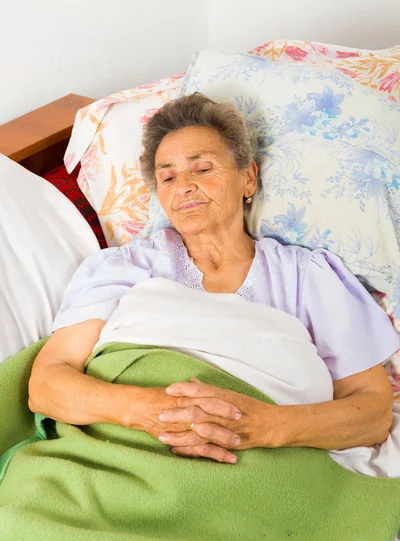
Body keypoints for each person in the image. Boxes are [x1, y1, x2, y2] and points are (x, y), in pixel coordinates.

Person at [29, 93, 399, 465]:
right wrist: (147, 410)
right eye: (167, 176)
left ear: (249, 178)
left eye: (202, 169)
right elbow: (47, 385)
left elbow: (373, 412)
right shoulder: (122, 268)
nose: (183, 186)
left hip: (267, 464)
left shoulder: (307, 276)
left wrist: (267, 426)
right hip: (128, 453)